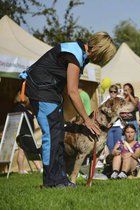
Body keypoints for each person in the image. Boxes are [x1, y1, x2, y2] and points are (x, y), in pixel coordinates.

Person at [19, 32, 116, 188]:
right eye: (103, 57)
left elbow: (66, 88)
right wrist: (87, 119)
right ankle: (51, 182)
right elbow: (72, 91)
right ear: (98, 49)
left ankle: (61, 179)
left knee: (58, 136)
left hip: (50, 92)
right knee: (51, 136)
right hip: (42, 90)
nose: (101, 61)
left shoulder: (79, 54)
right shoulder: (74, 54)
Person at [13, 92, 43, 174]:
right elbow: (29, 117)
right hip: (25, 133)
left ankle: (23, 169)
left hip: (22, 133)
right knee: (28, 151)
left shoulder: (18, 108)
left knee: (25, 151)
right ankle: (37, 168)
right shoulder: (22, 109)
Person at [106, 85, 124, 153]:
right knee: (110, 146)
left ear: (117, 92)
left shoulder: (120, 101)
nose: (113, 93)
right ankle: (111, 162)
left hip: (118, 126)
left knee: (118, 146)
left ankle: (118, 161)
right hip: (109, 127)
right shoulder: (105, 101)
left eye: (114, 91)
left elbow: (122, 113)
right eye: (111, 91)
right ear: (109, 92)